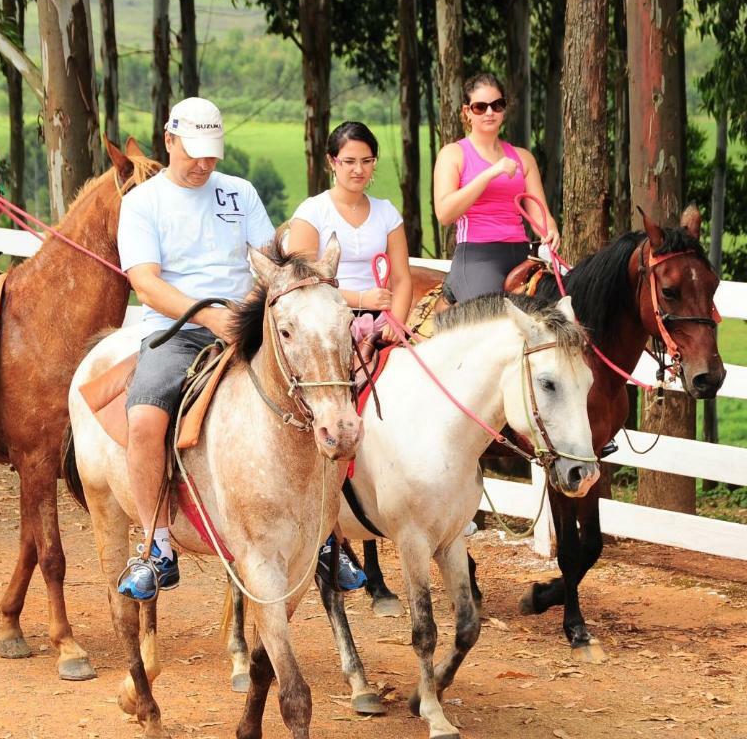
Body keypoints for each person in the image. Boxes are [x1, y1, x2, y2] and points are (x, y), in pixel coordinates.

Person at [116, 97, 275, 601]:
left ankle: (323, 535)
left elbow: (269, 262)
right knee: (143, 418)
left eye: (213, 154)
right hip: (177, 329)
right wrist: (209, 316)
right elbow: (146, 284)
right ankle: (155, 544)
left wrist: (247, 312)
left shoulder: (241, 193)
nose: (205, 164)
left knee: (317, 395)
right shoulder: (142, 203)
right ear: (169, 141)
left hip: (249, 322)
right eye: (195, 153)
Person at [287, 120, 413, 590]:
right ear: (331, 163)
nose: (357, 170)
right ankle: (329, 513)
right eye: (348, 161)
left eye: (366, 161)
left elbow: (401, 278)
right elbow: (304, 283)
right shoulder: (313, 213)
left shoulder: (386, 213)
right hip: (327, 324)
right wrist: (361, 302)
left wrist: (394, 325)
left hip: (382, 322)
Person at [433, 72, 559, 303]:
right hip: (476, 255)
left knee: (562, 313)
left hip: (522, 253)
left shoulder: (523, 158)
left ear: (504, 109)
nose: (490, 112)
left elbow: (541, 216)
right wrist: (491, 173)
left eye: (497, 105)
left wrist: (550, 232)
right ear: (467, 112)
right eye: (480, 107)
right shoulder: (453, 154)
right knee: (491, 322)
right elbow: (444, 213)